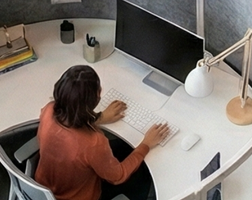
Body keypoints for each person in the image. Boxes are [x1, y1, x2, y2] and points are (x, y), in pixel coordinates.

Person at [35, 65, 168, 200]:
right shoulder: (93, 143)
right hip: (79, 196)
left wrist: (100, 118)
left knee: (121, 148)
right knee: (145, 173)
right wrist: (146, 144)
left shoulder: (48, 110)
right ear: (95, 99)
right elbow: (118, 176)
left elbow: (67, 128)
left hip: (43, 191)